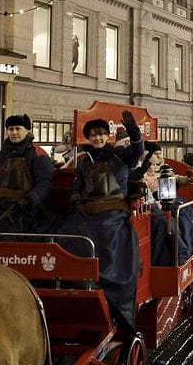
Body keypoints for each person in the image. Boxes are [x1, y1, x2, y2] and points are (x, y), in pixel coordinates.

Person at [68, 110, 144, 332]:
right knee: (68, 231)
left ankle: (107, 284)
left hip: (113, 210)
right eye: (93, 135)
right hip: (88, 211)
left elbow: (137, 151)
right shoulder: (84, 161)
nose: (97, 138)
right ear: (88, 138)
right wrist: (76, 202)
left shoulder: (119, 155)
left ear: (107, 136)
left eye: (101, 134)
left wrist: (134, 132)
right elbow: (77, 187)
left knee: (105, 231)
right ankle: (77, 279)